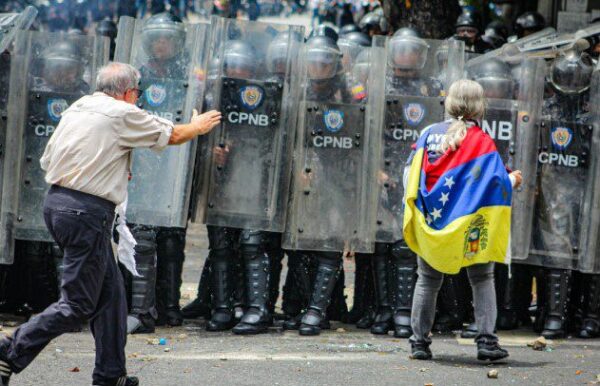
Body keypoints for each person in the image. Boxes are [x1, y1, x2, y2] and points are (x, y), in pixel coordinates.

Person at [0, 62, 221, 386]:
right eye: (137, 93)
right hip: (85, 213)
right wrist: (198, 126)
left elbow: (51, 159)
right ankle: (9, 350)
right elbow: (171, 134)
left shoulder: (80, 107)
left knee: (111, 295)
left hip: (60, 203)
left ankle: (110, 374)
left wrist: (105, 167)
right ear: (129, 92)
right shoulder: (121, 112)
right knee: (77, 304)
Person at [405, 79, 520, 361]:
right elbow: (494, 185)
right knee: (482, 278)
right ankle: (486, 342)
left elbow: (410, 176)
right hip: (470, 225)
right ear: (480, 107)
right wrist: (513, 179)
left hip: (433, 222)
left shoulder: (428, 134)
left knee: (428, 280)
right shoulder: (481, 141)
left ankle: (419, 343)